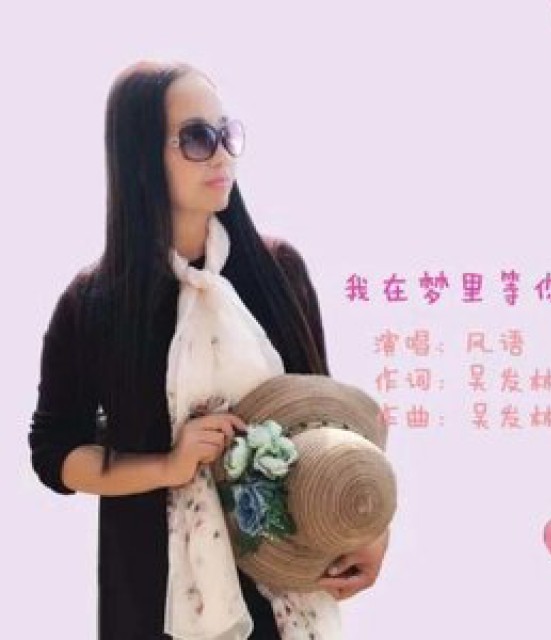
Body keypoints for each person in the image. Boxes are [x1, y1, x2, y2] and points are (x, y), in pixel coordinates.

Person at [28, 59, 389, 640]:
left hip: (285, 582)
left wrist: (369, 530)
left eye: (227, 134)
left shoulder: (275, 271)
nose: (221, 155)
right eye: (197, 138)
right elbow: (54, 453)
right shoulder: (94, 303)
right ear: (140, 156)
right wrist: (169, 466)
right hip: (155, 596)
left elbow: (330, 420)